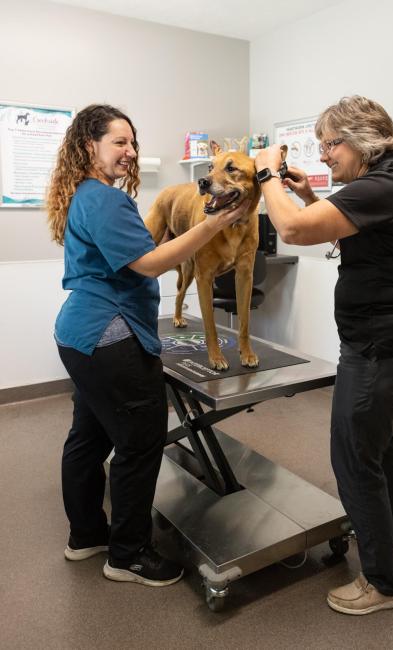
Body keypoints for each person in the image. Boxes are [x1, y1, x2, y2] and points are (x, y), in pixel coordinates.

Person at [254, 96, 393, 615]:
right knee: (382, 447)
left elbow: (294, 230)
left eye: (328, 146)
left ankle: (383, 585)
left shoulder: (385, 185)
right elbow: (349, 218)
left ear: (359, 139)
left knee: (353, 458)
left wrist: (266, 176)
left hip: (380, 349)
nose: (323, 158)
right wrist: (305, 190)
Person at [47, 104, 248, 587]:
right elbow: (150, 263)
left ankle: (86, 535)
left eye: (132, 143)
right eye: (119, 142)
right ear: (88, 145)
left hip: (80, 336)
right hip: (109, 336)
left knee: (88, 438)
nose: (130, 151)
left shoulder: (84, 195)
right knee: (139, 445)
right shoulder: (106, 200)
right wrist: (213, 224)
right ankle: (129, 555)